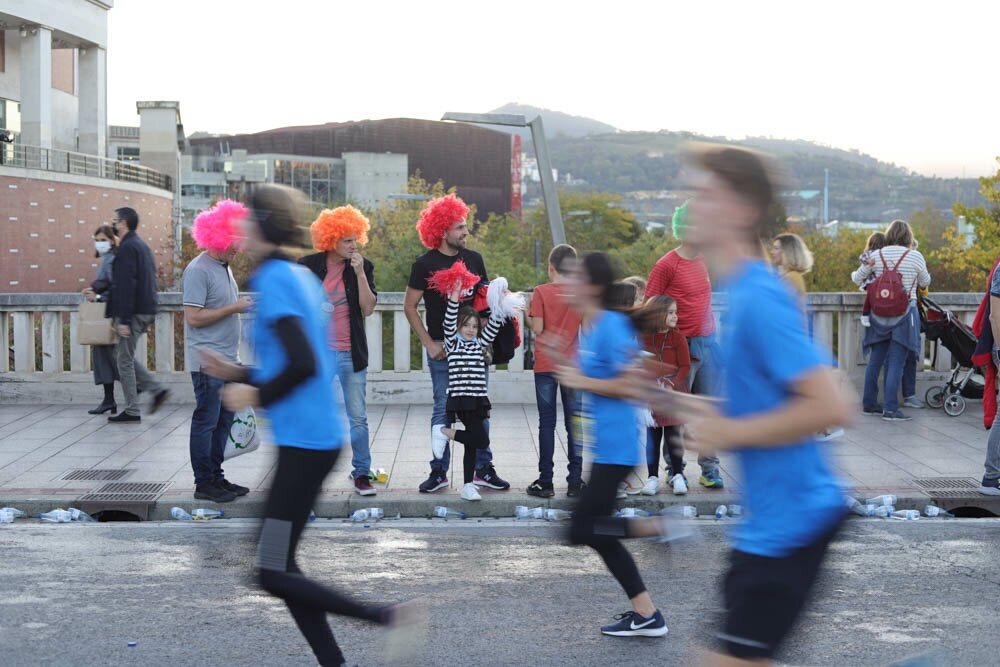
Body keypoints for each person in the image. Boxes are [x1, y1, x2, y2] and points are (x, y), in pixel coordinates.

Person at [201, 184, 417, 667]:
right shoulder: (296, 276)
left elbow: (299, 364)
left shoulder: (277, 280)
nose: (240, 229)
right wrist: (235, 372)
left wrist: (252, 392)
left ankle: (384, 616)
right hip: (314, 440)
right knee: (279, 565)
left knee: (271, 570)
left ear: (262, 226)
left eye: (247, 220)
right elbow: (298, 360)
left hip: (306, 446)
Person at [654, 144, 854, 665]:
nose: (691, 205)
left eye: (705, 195)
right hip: (767, 525)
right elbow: (756, 405)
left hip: (793, 523)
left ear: (743, 211)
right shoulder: (742, 293)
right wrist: (668, 399)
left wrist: (730, 435)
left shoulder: (759, 297)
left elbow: (833, 404)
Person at [554, 252, 674, 639]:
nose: (566, 283)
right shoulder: (591, 325)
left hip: (620, 446)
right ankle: (646, 614)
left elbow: (627, 384)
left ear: (591, 286)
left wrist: (581, 380)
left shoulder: (610, 326)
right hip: (605, 446)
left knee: (580, 531)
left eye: (573, 277)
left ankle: (657, 527)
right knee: (596, 533)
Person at [404, 194, 509, 493]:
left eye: (465, 226)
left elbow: (485, 303)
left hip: (474, 350)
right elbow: (409, 306)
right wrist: (428, 343)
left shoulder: (474, 259)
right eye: (460, 227)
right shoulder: (424, 264)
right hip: (442, 347)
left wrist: (484, 342)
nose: (466, 232)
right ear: (442, 230)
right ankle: (439, 471)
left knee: (479, 409)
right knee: (443, 407)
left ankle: (483, 468)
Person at [300, 205, 378, 497]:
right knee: (314, 413)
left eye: (355, 238)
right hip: (318, 355)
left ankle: (362, 473)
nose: (353, 244)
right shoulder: (308, 266)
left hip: (351, 353)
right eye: (347, 239)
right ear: (330, 239)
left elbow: (368, 308)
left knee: (358, 417)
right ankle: (308, 474)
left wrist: (359, 274)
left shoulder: (363, 266)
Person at [645, 201, 725, 489]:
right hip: (680, 346)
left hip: (708, 343)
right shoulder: (666, 265)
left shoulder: (705, 259)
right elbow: (650, 307)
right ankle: (673, 469)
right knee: (674, 414)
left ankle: (710, 469)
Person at [183, 200, 253, 504]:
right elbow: (194, 318)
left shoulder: (223, 268)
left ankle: (216, 476)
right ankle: (204, 483)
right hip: (207, 363)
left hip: (227, 359)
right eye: (233, 243)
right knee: (207, 422)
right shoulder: (198, 270)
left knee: (224, 422)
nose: (237, 249)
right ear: (216, 238)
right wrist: (235, 307)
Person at [852, 219, 931, 421]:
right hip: (905, 314)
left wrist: (867, 266)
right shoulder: (915, 256)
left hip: (879, 315)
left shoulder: (877, 255)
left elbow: (857, 278)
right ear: (908, 237)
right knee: (896, 361)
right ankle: (890, 409)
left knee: (876, 359)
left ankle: (869, 404)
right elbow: (925, 282)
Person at [437, 278, 507, 501]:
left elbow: (495, 322)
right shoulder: (452, 342)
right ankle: (445, 433)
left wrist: (499, 299)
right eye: (466, 325)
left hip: (478, 398)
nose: (470, 330)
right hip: (461, 398)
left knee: (472, 445)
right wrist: (455, 294)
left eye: (474, 326)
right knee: (481, 440)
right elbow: (449, 317)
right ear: (458, 327)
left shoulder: (480, 343)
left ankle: (468, 485)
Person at [526, 244, 584, 498]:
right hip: (572, 366)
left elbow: (537, 329)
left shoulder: (540, 292)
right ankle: (575, 482)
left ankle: (546, 481)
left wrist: (524, 313)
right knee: (575, 424)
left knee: (546, 423)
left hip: (546, 364)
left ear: (551, 268)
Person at [105, 206, 169, 423]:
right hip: (145, 309)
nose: (113, 223)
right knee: (122, 356)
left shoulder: (127, 247)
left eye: (115, 220)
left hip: (133, 313)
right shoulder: (141, 245)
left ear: (123, 223)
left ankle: (135, 407)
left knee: (123, 359)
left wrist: (123, 319)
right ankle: (149, 388)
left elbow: (126, 285)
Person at [639, 295, 690, 496]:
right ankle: (652, 478)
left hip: (672, 392)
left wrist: (671, 383)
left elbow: (685, 366)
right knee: (652, 437)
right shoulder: (642, 338)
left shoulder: (678, 338)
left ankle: (677, 475)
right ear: (658, 314)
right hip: (651, 393)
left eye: (675, 312)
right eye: (671, 312)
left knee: (673, 436)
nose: (675, 316)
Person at [82, 224, 121, 415]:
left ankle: (142, 386)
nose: (100, 244)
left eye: (103, 240)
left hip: (109, 314)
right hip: (105, 314)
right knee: (102, 356)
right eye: (97, 241)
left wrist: (97, 297)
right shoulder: (108, 258)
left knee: (114, 358)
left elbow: (116, 288)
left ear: (112, 240)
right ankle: (109, 400)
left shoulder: (113, 259)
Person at [770, 233, 813, 305]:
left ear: (787, 252)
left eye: (776, 248)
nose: (772, 252)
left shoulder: (792, 278)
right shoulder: (788, 276)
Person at [855, 231, 887, 328]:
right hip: (871, 281)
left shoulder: (882, 254)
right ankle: (865, 314)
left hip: (878, 281)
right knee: (870, 295)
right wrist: (868, 261)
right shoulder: (871, 253)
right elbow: (862, 257)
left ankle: (866, 314)